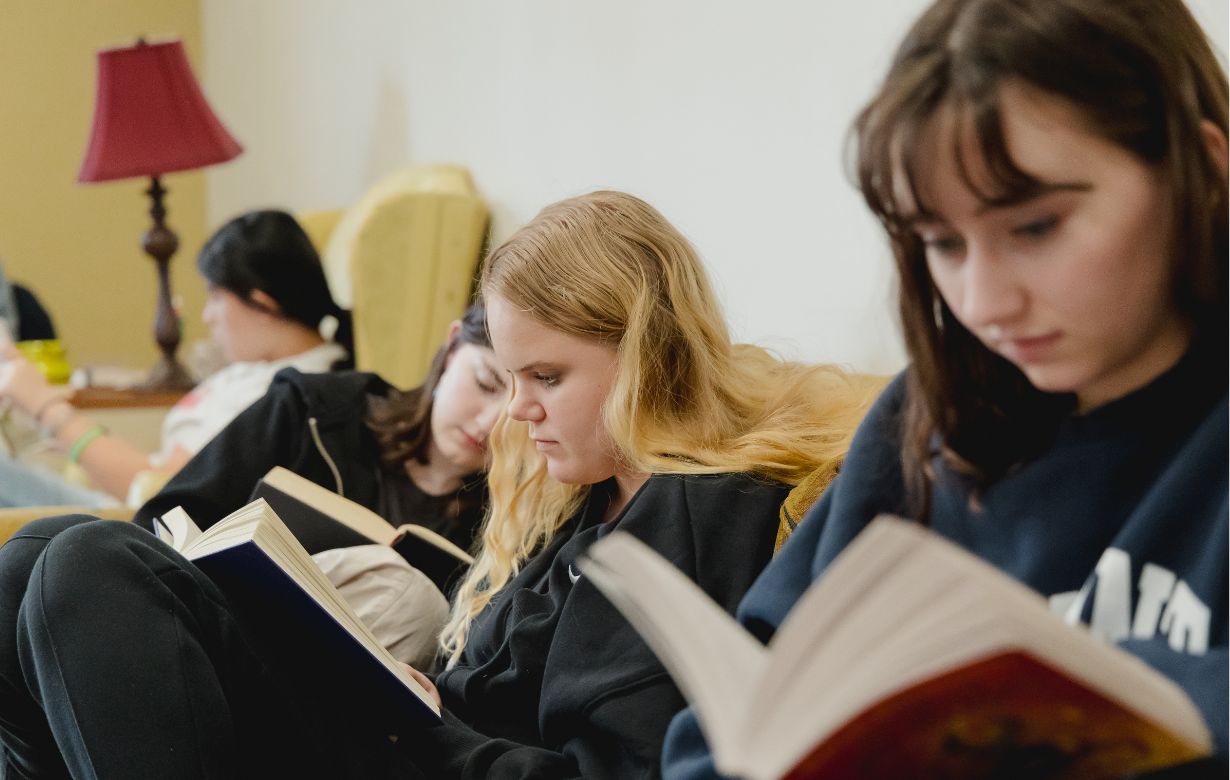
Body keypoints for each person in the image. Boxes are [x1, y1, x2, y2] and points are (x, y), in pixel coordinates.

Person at [0, 190, 874, 778]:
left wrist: (413, 722)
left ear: (644, 357)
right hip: (402, 737)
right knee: (32, 559)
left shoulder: (697, 512)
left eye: (546, 379)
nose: (517, 415)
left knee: (96, 566)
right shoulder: (585, 500)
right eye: (505, 379)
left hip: (406, 756)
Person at [661, 0, 1229, 776]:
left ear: (1204, 168)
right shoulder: (924, 419)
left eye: (1035, 227)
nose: (984, 302)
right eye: (940, 243)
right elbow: (736, 717)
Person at [0, 209, 351, 507]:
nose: (207, 316)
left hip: (139, 525)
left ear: (262, 303)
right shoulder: (254, 371)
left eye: (215, 297)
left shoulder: (291, 391)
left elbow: (165, 490)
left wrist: (44, 406)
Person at [134, 300, 503, 557]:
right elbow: (163, 520)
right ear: (453, 345)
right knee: (87, 542)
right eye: (486, 383)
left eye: (517, 415)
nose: (490, 423)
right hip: (219, 631)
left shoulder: (515, 519)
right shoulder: (312, 411)